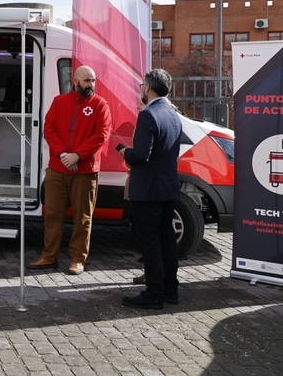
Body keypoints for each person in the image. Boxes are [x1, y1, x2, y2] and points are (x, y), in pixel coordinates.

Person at [27, 65, 112, 275]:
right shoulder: (59, 102)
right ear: (75, 81)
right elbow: (49, 128)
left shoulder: (101, 105)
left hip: (85, 171)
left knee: (83, 217)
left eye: (93, 80)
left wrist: (78, 155)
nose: (91, 85)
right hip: (58, 169)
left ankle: (78, 259)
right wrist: (64, 155)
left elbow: (102, 135)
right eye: (86, 80)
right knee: (53, 215)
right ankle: (49, 257)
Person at [118, 69, 181, 309]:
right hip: (167, 188)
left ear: (147, 88)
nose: (140, 89)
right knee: (167, 240)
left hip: (147, 191)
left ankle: (154, 294)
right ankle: (170, 290)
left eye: (142, 85)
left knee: (151, 243)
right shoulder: (174, 114)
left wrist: (125, 152)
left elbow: (141, 156)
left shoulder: (148, 115)